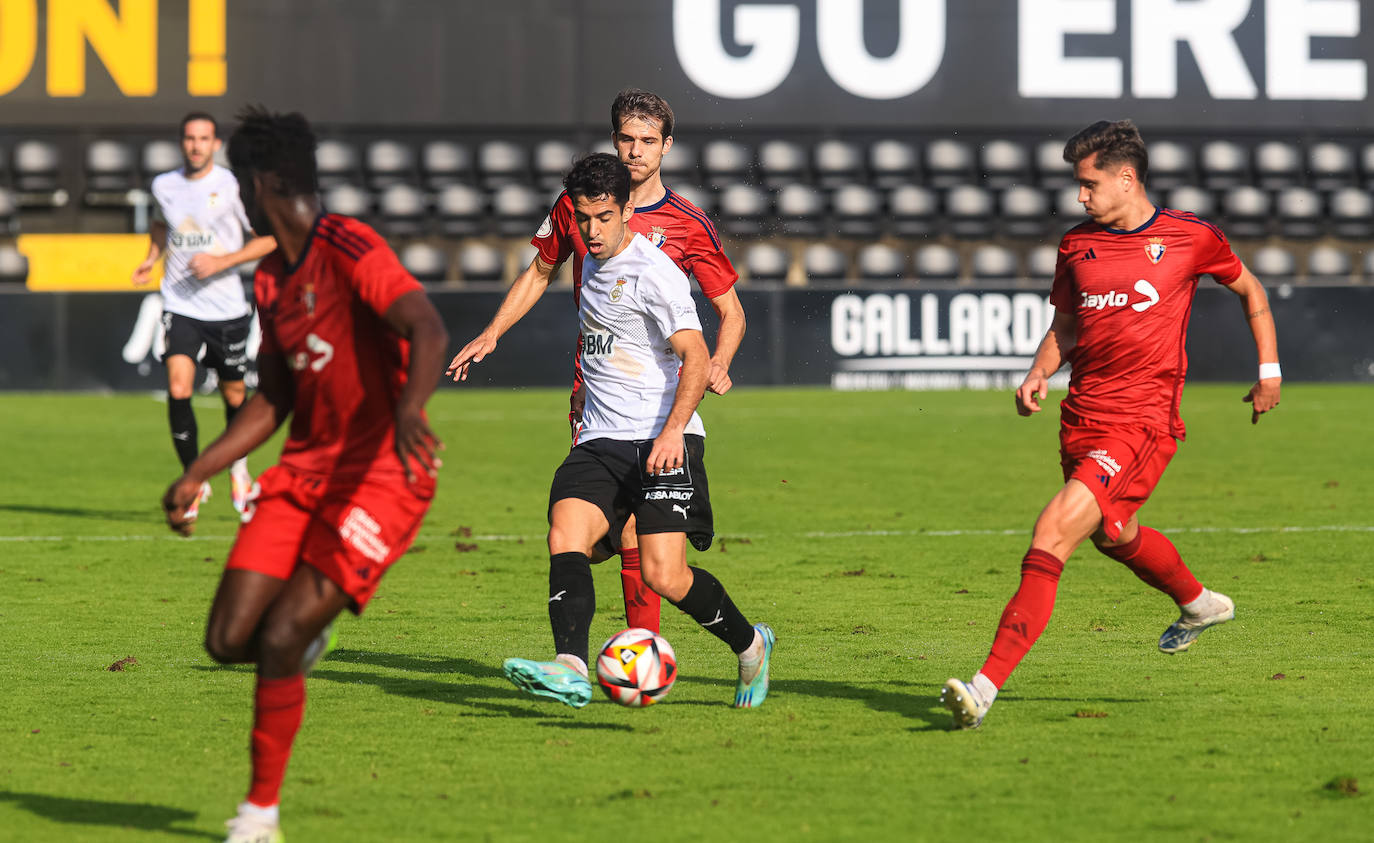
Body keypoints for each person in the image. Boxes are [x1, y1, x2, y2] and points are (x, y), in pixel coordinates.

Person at [161, 107, 449, 842]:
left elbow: (426, 325)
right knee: (228, 639)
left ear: (257, 185)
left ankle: (260, 814)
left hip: (386, 471)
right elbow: (276, 398)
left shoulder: (347, 244)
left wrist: (412, 406)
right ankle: (301, 647)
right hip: (302, 473)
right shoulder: (267, 282)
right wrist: (199, 471)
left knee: (282, 633)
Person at [941, 120, 1282, 730]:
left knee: (1051, 533)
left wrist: (1270, 370)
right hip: (1083, 420)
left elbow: (1250, 288)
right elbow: (1066, 329)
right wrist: (1039, 371)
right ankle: (1199, 603)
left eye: (1088, 183)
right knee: (1113, 533)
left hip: (1144, 422)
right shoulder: (1076, 245)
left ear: (1127, 179)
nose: (1080, 197)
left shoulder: (1190, 237)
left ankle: (983, 688)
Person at [450, 153, 773, 709]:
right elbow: (540, 272)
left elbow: (695, 358)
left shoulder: (656, 273)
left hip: (662, 439)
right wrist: (493, 334)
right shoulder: (583, 248)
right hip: (600, 437)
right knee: (565, 536)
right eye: (582, 219)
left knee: (666, 576)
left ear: (627, 211)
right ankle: (571, 666)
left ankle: (750, 646)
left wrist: (674, 432)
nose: (591, 231)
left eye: (603, 218)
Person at [134, 112, 278, 521]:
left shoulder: (233, 186)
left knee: (234, 395)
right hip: (179, 304)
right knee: (179, 389)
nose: (196, 145)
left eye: (204, 138)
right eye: (190, 138)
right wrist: (150, 259)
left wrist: (223, 261)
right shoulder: (164, 185)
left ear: (216, 144)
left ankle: (239, 468)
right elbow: (162, 226)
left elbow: (268, 239)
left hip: (227, 309)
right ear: (182, 143)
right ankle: (192, 482)